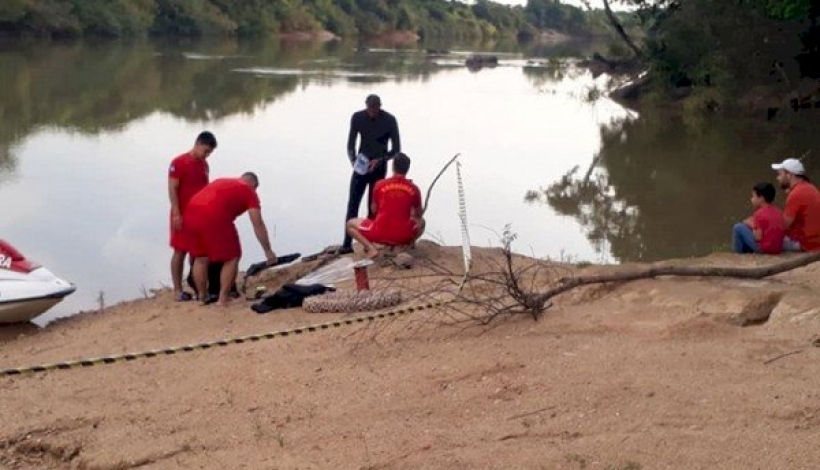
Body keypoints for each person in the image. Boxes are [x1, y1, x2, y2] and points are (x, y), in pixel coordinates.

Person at [183, 172, 277, 306]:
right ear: (253, 185)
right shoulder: (249, 191)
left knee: (201, 257)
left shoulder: (220, 180)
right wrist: (268, 250)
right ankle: (223, 299)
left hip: (191, 212)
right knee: (232, 257)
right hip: (215, 216)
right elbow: (258, 223)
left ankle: (202, 297)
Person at [340, 94, 401, 254]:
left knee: (373, 206)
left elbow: (396, 150)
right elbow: (350, 145)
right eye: (370, 109)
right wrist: (354, 161)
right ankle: (347, 244)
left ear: (380, 107)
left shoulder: (389, 120)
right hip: (361, 166)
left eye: (376, 108)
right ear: (366, 106)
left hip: (379, 167)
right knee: (353, 203)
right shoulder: (358, 117)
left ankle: (370, 243)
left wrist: (381, 160)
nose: (373, 112)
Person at [168, 131, 217, 302]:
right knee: (180, 251)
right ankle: (177, 290)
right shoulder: (179, 163)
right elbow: (172, 188)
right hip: (182, 213)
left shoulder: (204, 165)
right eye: (205, 150)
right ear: (197, 144)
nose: (207, 155)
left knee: (198, 252)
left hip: (200, 214)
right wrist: (176, 212)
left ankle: (196, 285)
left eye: (209, 152)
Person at [346, 153, 424, 258]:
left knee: (350, 224)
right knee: (422, 222)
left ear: (393, 167)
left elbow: (374, 210)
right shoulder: (414, 189)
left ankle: (371, 249)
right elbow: (418, 214)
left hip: (380, 232)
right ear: (407, 169)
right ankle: (405, 246)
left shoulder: (379, 184)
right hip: (403, 235)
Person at [772, 158, 820, 252]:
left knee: (763, 238)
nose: (778, 178)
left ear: (789, 175)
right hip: (816, 241)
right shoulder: (810, 188)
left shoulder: (796, 194)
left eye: (780, 174)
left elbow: (784, 225)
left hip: (805, 244)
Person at [731, 183, 785, 254]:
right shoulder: (778, 211)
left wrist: (751, 225)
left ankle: (737, 255)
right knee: (745, 228)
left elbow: (757, 237)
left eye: (753, 196)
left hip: (764, 249)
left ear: (761, 198)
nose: (751, 199)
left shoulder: (759, 213)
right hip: (777, 248)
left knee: (737, 227)